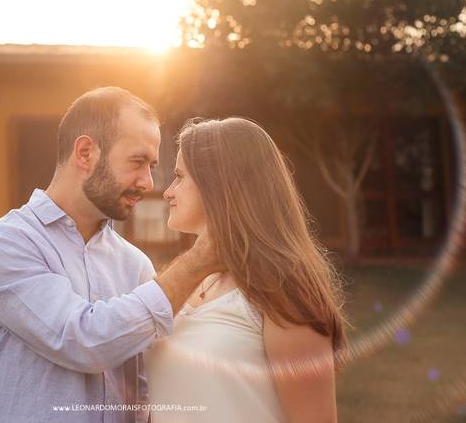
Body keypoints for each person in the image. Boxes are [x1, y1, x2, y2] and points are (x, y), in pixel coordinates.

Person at [0, 87, 221, 423]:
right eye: (137, 162)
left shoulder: (134, 264)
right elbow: (82, 339)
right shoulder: (4, 245)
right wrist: (196, 263)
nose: (147, 181)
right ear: (85, 153)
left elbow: (140, 394)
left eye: (152, 166)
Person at [146, 117, 348, 423]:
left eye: (179, 177)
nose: (168, 192)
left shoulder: (285, 289)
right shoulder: (192, 281)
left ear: (220, 184)